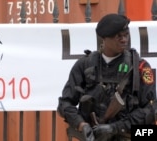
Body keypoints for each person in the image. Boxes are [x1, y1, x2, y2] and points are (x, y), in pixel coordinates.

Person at [57, 13, 157, 141]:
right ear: (104, 38)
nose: (124, 40)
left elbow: (152, 107)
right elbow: (65, 103)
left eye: (126, 35)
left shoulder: (139, 67)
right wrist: (82, 125)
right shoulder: (85, 65)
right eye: (118, 36)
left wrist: (115, 128)